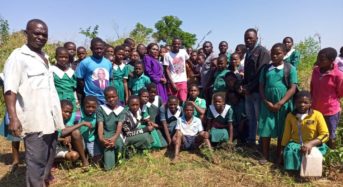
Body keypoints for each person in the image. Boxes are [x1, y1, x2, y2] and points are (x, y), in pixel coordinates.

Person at [3, 19, 64, 186]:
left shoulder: (44, 56)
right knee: (35, 161)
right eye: (36, 33)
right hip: (34, 119)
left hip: (50, 118)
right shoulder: (18, 57)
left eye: (44, 34)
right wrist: (13, 117)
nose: (41, 37)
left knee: (49, 155)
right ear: (26, 33)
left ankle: (43, 181)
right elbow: (10, 89)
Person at [258, 43, 298, 164]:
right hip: (267, 104)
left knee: (282, 129)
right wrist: (266, 101)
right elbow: (261, 86)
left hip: (283, 104)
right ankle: (265, 155)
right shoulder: (266, 68)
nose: (274, 56)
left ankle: (279, 155)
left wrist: (280, 103)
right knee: (266, 128)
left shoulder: (290, 68)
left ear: (284, 54)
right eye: (273, 53)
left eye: (278, 53)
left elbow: (293, 88)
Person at [281, 91, 329, 171]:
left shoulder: (317, 115)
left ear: (310, 103)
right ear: (295, 103)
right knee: (290, 153)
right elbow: (286, 134)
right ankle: (295, 170)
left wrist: (310, 144)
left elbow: (325, 134)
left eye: (305, 102)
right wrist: (282, 150)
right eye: (299, 102)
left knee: (316, 158)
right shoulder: (290, 116)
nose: (302, 104)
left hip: (314, 145)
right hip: (297, 145)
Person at [242, 28, 271, 146]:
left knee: (260, 118)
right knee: (251, 117)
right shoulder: (248, 52)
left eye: (250, 38)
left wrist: (249, 87)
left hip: (257, 91)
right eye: (246, 38)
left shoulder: (262, 52)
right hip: (248, 91)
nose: (248, 40)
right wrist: (243, 86)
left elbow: (261, 72)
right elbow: (247, 72)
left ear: (256, 39)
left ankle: (262, 142)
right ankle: (251, 139)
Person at [310, 47, 343, 149]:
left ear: (331, 60)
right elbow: (312, 87)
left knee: (329, 135)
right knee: (316, 133)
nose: (318, 61)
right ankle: (319, 154)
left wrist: (329, 101)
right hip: (315, 109)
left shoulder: (338, 75)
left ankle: (329, 157)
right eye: (318, 58)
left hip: (330, 111)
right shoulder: (316, 71)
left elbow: (340, 93)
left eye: (322, 60)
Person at [76, 37, 112, 104]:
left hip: (105, 98)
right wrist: (88, 90)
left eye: (101, 48)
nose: (99, 50)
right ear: (91, 49)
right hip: (91, 98)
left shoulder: (108, 63)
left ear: (104, 48)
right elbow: (79, 79)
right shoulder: (85, 62)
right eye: (96, 48)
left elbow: (110, 79)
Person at [97, 87, 125, 170]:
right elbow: (100, 124)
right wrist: (101, 138)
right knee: (109, 167)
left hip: (116, 133)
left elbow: (119, 125)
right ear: (105, 98)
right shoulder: (100, 109)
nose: (111, 99)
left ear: (117, 96)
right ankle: (107, 161)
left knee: (119, 144)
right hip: (105, 134)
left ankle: (119, 160)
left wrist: (115, 137)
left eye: (114, 96)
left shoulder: (121, 110)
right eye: (109, 97)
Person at [51, 47, 78, 124]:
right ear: (56, 57)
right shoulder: (52, 70)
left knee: (70, 125)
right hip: (58, 102)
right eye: (61, 57)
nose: (63, 59)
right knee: (59, 127)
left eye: (66, 57)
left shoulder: (71, 72)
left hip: (71, 103)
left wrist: (76, 101)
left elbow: (74, 89)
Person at [164, 38, 190, 102]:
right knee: (173, 101)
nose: (176, 45)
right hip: (173, 81)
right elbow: (166, 70)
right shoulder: (167, 55)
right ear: (172, 44)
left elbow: (188, 63)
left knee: (183, 100)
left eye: (178, 44)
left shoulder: (183, 52)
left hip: (183, 81)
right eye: (175, 43)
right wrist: (173, 84)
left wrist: (189, 76)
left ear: (180, 44)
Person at [78, 96, 102, 162]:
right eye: (88, 107)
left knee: (98, 159)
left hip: (91, 140)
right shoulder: (77, 115)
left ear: (96, 107)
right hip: (78, 141)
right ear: (83, 105)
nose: (90, 109)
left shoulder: (97, 114)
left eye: (93, 107)